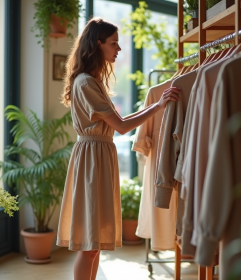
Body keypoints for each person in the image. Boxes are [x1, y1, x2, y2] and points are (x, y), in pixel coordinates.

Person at [56, 17, 181, 280]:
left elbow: (119, 124)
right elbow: (122, 127)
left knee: (96, 244)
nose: (119, 49)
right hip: (93, 158)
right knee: (90, 245)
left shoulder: (92, 81)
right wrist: (157, 106)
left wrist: (155, 106)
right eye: (114, 43)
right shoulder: (87, 83)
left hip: (98, 156)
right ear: (97, 44)